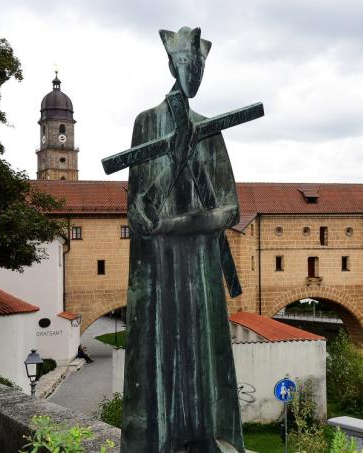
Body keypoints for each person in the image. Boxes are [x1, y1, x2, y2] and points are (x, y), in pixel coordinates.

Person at [121, 27, 244, 452]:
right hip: (158, 268)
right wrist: (144, 217)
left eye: (201, 67)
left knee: (203, 351)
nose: (196, 73)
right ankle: (162, 437)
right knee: (162, 349)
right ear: (174, 65)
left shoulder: (210, 129)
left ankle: (202, 435)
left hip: (201, 266)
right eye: (190, 64)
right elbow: (135, 206)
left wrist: (173, 224)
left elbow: (231, 209)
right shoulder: (145, 123)